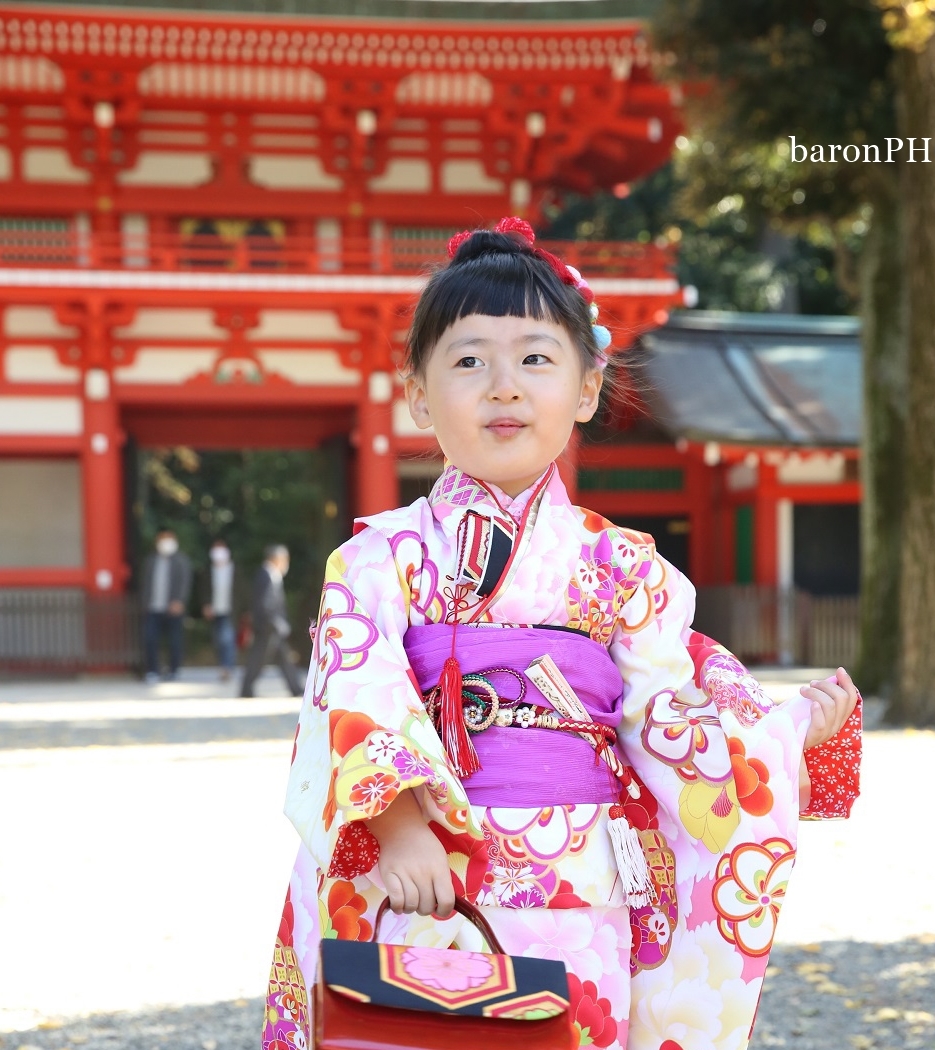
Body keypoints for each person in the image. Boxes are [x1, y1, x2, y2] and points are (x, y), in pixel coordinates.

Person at [260, 218, 862, 1050]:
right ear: (418, 394)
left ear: (586, 389)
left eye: (536, 359)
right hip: (431, 876)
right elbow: (353, 687)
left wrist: (783, 733)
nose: (504, 386)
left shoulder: (626, 568)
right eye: (469, 360)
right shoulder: (376, 558)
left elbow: (666, 719)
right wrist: (398, 827)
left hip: (582, 884)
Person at [240, 544, 304, 698]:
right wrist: (277, 622)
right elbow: (265, 603)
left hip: (272, 627)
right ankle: (246, 689)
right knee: (258, 658)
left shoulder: (271, 574)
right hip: (267, 626)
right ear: (277, 559)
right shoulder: (265, 575)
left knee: (284, 658)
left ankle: (295, 687)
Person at [141, 526, 192, 684]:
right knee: (150, 639)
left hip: (173, 607)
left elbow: (185, 582)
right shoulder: (151, 560)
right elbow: (146, 583)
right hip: (153, 607)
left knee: (175, 640)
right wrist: (145, 602)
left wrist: (179, 601)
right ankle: (153, 671)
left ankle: (174, 670)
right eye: (162, 540)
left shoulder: (181, 560)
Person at [202, 537, 237, 681]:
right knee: (218, 639)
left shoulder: (235, 570)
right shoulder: (207, 571)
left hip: (230, 610)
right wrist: (206, 605)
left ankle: (226, 667)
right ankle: (223, 665)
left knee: (227, 638)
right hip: (215, 611)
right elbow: (203, 590)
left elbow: (242, 592)